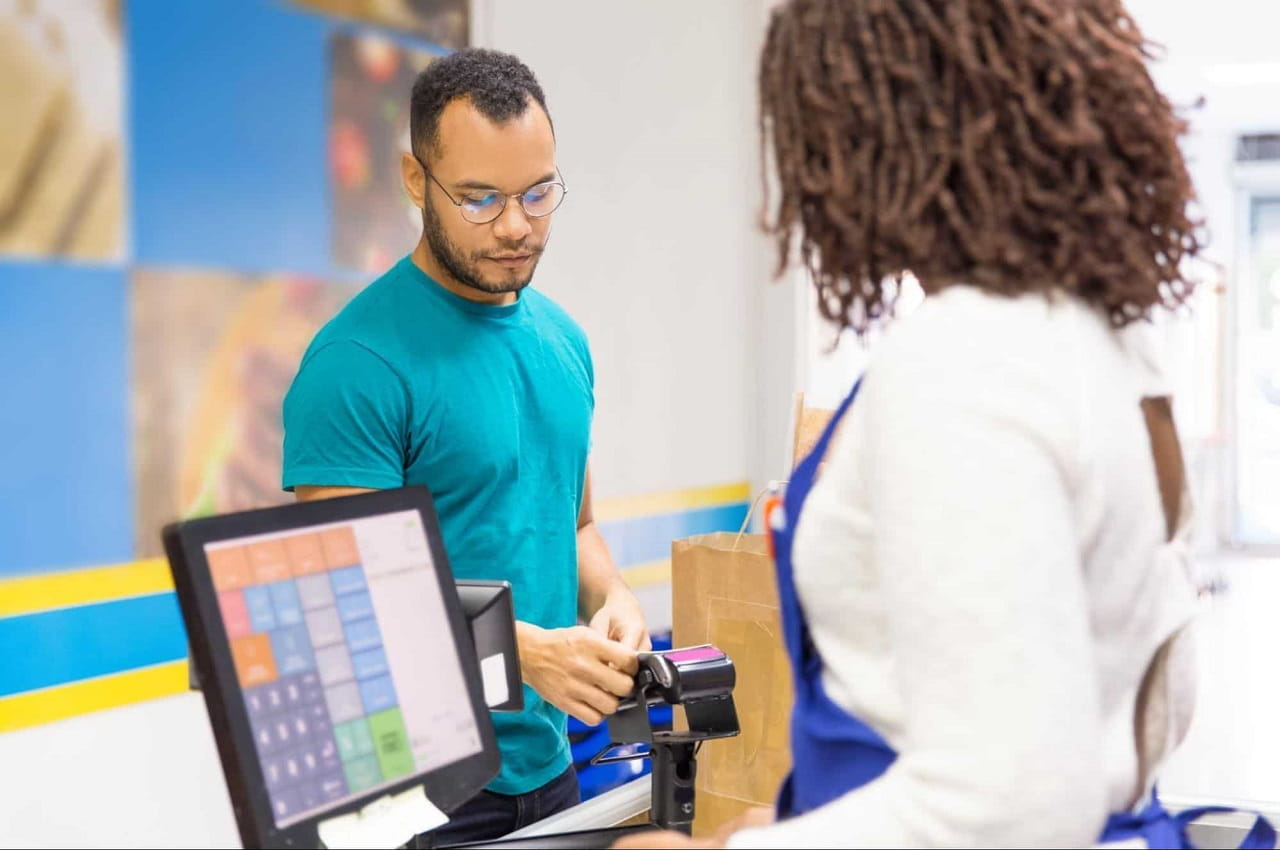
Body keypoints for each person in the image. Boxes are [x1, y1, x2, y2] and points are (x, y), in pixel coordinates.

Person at [617, 1, 1277, 848]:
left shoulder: (965, 360)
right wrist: (805, 821)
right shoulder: (1098, 336)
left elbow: (1011, 806)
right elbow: (1143, 701)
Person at [282, 48, 650, 845]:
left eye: (538, 192)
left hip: (547, 769)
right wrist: (520, 652)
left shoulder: (564, 343)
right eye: (481, 198)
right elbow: (351, 596)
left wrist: (612, 598)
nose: (517, 225)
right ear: (417, 182)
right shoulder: (356, 366)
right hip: (413, 796)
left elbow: (573, 525)